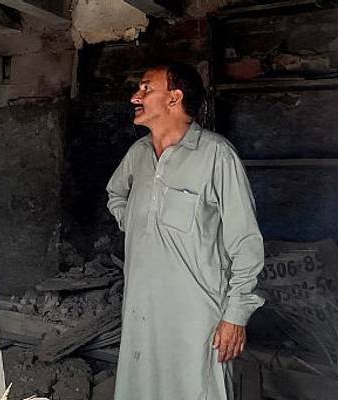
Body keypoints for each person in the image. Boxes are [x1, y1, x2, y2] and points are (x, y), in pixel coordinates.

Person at [107, 62, 265, 400]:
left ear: (174, 99)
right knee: (141, 388)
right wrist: (132, 220)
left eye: (147, 88)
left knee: (196, 389)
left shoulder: (216, 156)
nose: (137, 95)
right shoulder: (137, 155)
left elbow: (245, 241)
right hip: (141, 310)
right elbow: (115, 194)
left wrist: (235, 315)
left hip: (197, 316)